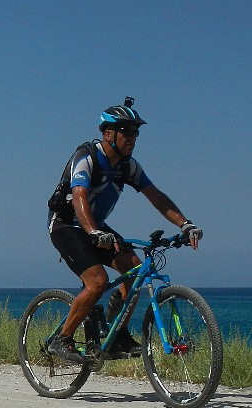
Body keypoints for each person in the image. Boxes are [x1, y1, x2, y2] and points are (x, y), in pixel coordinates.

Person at [46, 97, 203, 363]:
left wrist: (185, 224)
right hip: (67, 225)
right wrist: (94, 233)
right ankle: (62, 339)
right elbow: (80, 195)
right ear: (108, 134)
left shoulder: (127, 166)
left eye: (136, 132)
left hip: (97, 227)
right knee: (97, 281)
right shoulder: (87, 156)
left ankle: (115, 333)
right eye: (126, 131)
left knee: (133, 270)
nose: (132, 137)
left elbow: (156, 196)